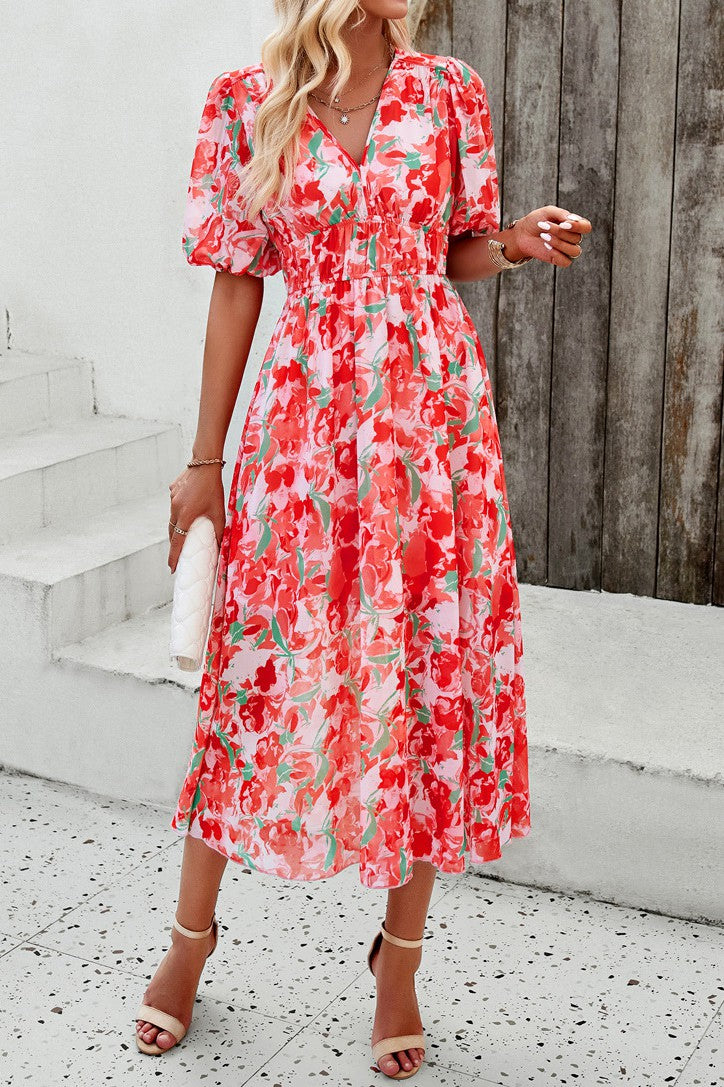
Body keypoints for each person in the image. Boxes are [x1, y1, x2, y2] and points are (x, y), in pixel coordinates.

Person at [135, 0, 592, 1078]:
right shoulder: (248, 101)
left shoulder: (448, 92)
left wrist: (514, 245)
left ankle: (399, 960)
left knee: (425, 676)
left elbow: (455, 251)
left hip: (429, 422)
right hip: (301, 421)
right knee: (253, 680)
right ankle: (188, 945)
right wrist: (205, 466)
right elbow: (237, 280)